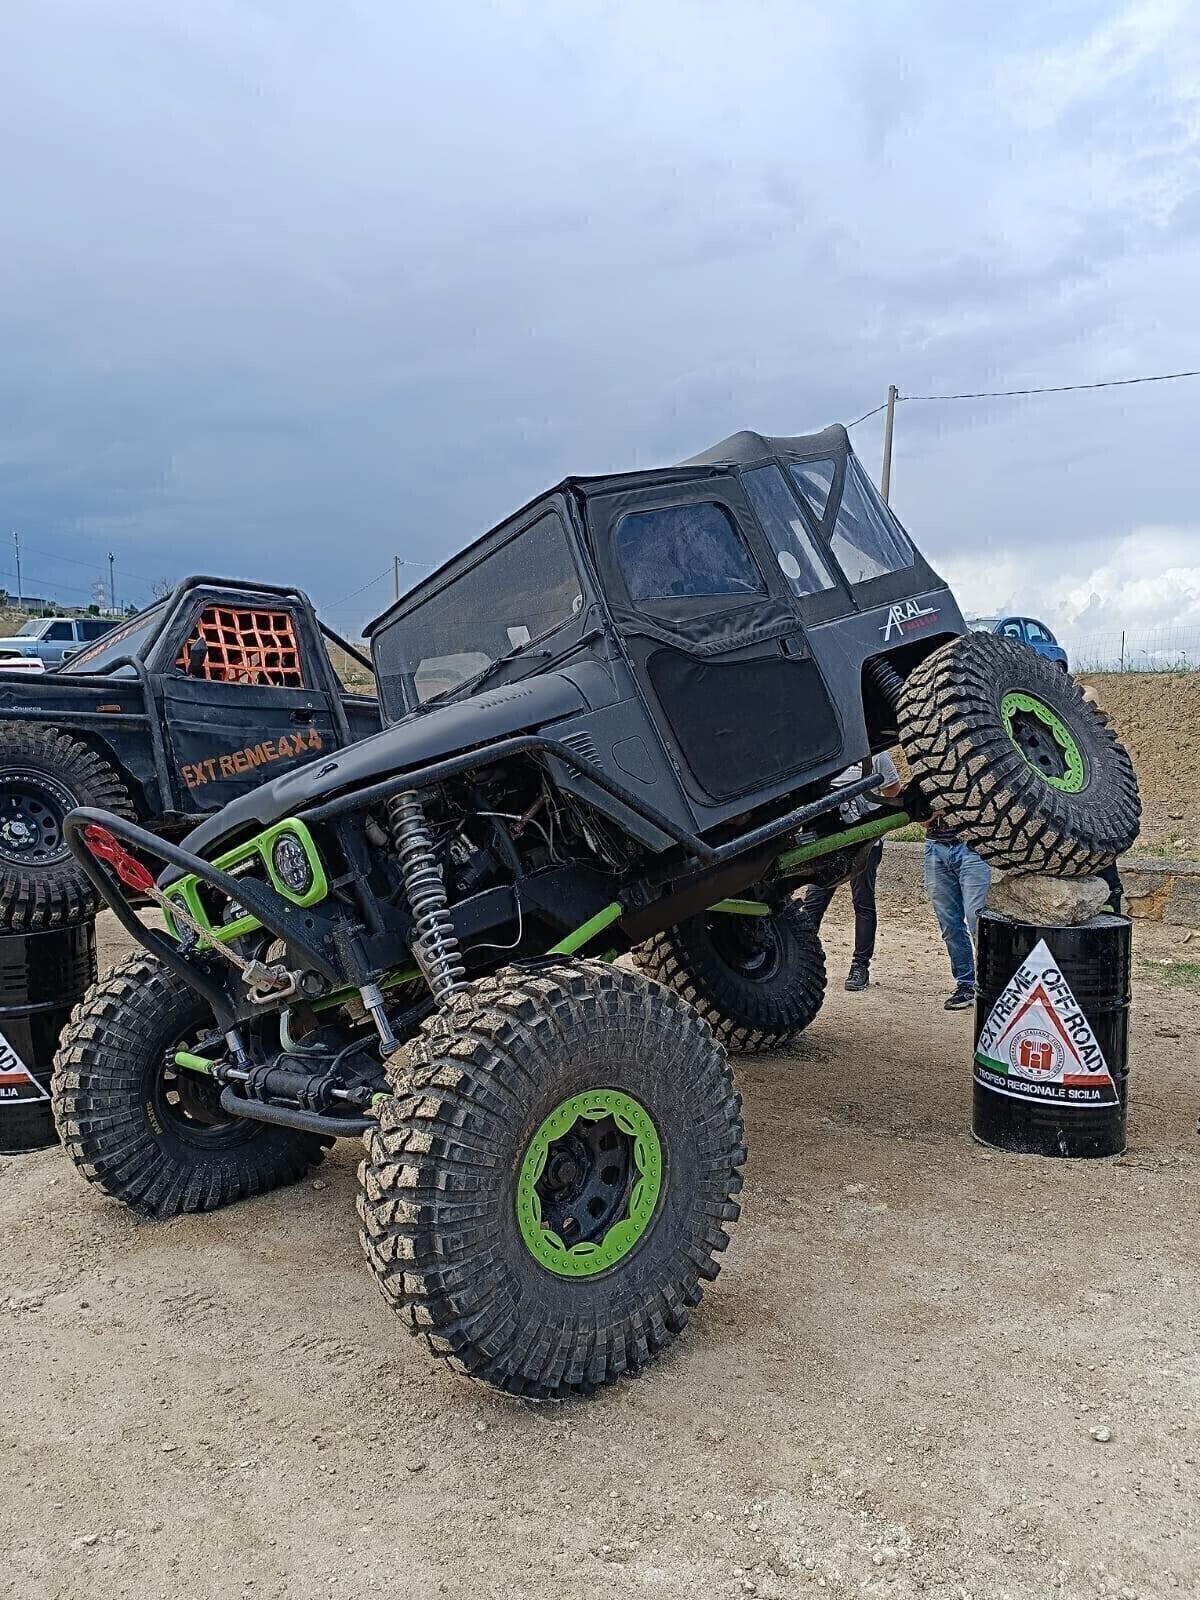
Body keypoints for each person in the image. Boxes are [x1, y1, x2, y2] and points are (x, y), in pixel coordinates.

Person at [803, 751, 902, 991]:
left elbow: (893, 791)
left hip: (864, 843)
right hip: (826, 842)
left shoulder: (878, 756)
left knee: (863, 902)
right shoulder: (828, 752)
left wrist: (872, 820)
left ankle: (860, 966)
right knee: (813, 903)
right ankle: (803, 961)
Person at [923, 810, 992, 1009]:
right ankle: (966, 984)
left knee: (976, 919)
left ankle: (989, 983)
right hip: (935, 846)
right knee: (949, 923)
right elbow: (922, 819)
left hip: (973, 846)